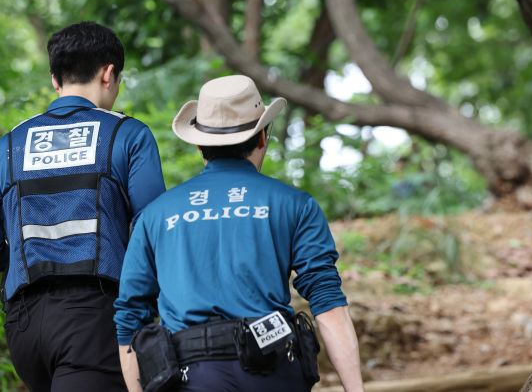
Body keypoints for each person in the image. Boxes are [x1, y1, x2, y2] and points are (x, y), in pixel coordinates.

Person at [114, 75, 364, 392]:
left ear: (200, 144)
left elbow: (130, 319)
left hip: (189, 377)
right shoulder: (294, 205)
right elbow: (329, 308)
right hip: (271, 371)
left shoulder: (155, 216)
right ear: (262, 137)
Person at [0, 21, 165, 391]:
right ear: (109, 74)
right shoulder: (127, 135)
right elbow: (155, 231)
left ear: (55, 80)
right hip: (94, 322)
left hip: (24, 328)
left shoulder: (7, 147)